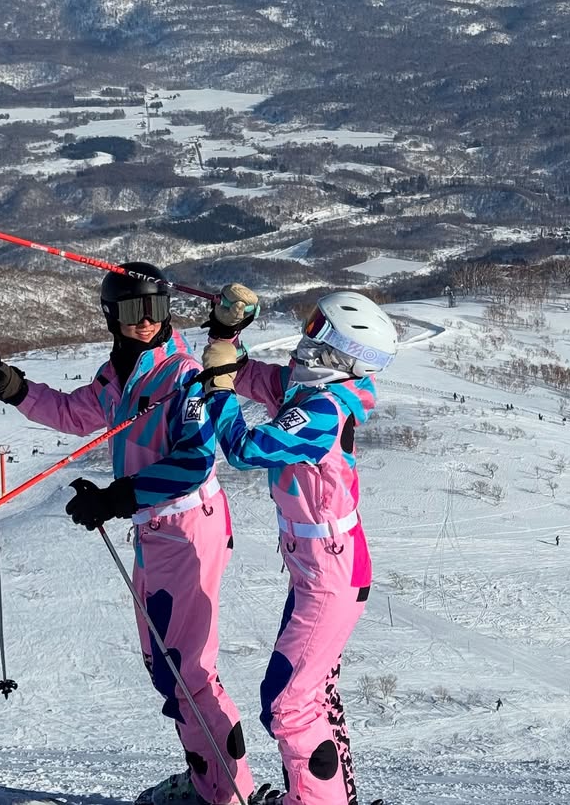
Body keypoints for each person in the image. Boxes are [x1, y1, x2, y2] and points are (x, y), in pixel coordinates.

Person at [0, 264, 257, 805]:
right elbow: (72, 413)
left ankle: (225, 793)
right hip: (153, 531)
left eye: (154, 309)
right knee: (164, 669)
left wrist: (117, 497)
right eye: (132, 312)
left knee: (188, 675)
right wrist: (13, 387)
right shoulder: (116, 379)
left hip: (187, 529)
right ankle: (207, 779)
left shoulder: (183, 377)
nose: (145, 322)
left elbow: (195, 461)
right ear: (112, 317)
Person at [201, 288, 398, 805]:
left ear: (341, 354)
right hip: (319, 568)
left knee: (289, 706)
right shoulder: (308, 390)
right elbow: (251, 374)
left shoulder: (321, 415)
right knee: (305, 697)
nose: (304, 341)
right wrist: (226, 333)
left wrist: (218, 392)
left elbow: (245, 450)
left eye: (318, 331)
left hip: (330, 577)